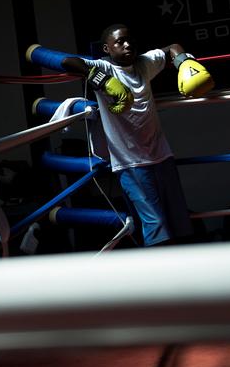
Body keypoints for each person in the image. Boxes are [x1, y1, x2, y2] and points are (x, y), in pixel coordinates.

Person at [26, 24, 214, 246]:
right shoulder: (104, 68)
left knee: (179, 221)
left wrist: (184, 62)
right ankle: (161, 267)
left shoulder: (144, 64)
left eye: (130, 40)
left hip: (162, 155)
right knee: (155, 224)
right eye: (120, 42)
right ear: (107, 48)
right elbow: (69, 62)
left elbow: (173, 47)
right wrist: (102, 80)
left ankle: (186, 264)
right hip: (130, 163)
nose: (127, 44)